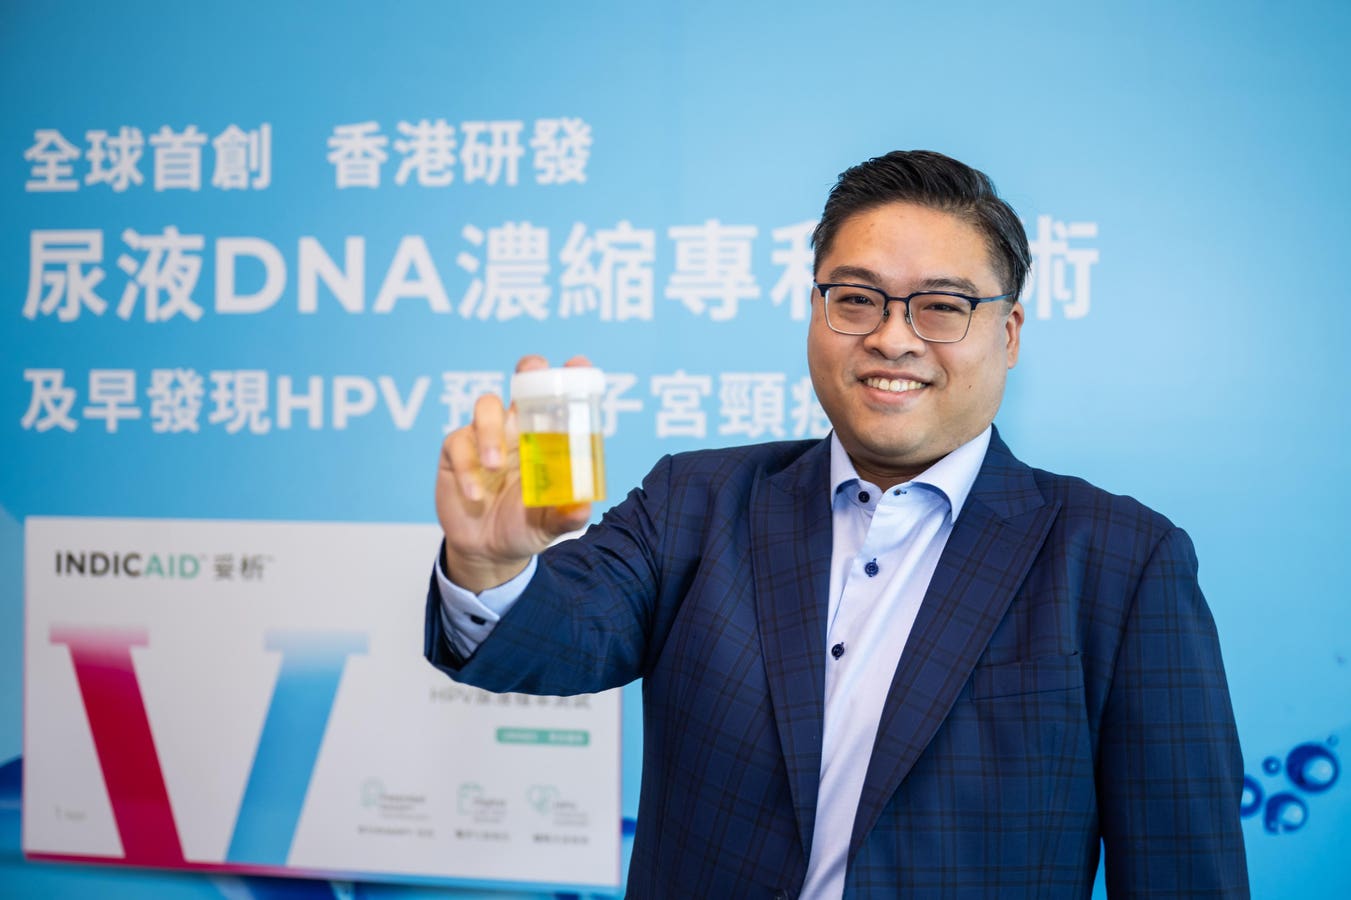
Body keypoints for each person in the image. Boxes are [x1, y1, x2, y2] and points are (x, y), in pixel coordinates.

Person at [425, 150, 1249, 898]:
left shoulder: (1118, 563)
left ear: (1007, 333)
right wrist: (488, 566)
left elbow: (1181, 870)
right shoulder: (697, 500)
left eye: (941, 307)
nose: (891, 338)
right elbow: (561, 636)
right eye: (855, 299)